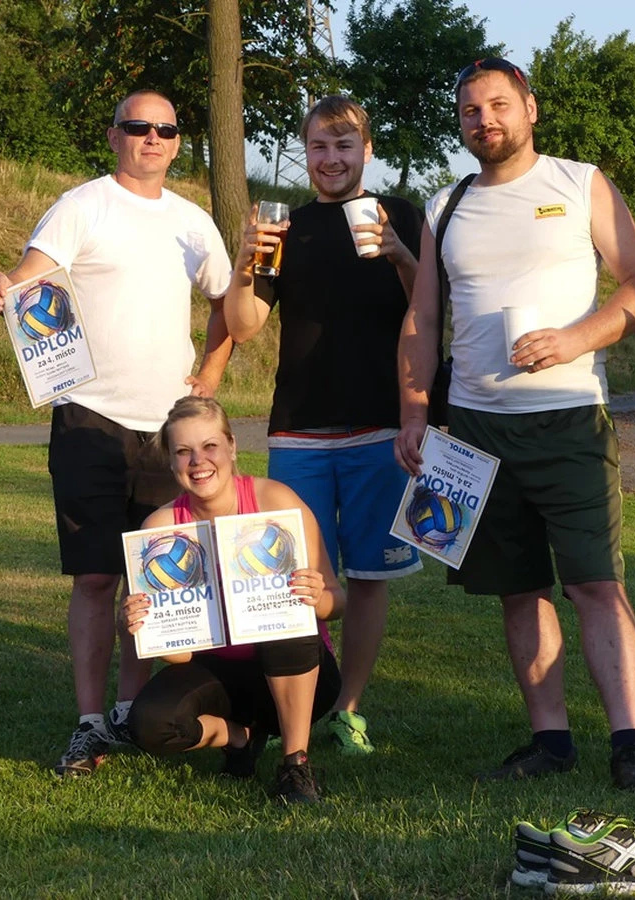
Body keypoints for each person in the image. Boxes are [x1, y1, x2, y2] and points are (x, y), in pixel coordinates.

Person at [394, 58, 635, 789]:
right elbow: (423, 317)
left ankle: (631, 745)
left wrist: (577, 338)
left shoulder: (578, 183)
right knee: (518, 589)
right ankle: (551, 741)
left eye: (498, 105)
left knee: (595, 584)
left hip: (569, 419)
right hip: (475, 430)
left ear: (530, 108)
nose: (484, 120)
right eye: (470, 111)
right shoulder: (446, 203)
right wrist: (415, 412)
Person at [0, 89, 234, 777]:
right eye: (138, 126)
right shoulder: (82, 205)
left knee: (152, 579)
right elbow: (27, 278)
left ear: (178, 143)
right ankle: (90, 723)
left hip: (169, 429)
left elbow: (227, 305)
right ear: (115, 136)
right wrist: (1, 286)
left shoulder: (194, 223)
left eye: (166, 130)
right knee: (95, 578)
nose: (152, 138)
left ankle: (128, 711)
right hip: (89, 417)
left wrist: (209, 376)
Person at [222, 95, 422, 756]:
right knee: (293, 578)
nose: (331, 158)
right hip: (298, 431)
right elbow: (245, 326)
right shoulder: (286, 227)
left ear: (367, 150)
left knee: (366, 577)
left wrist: (400, 254)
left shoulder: (402, 216)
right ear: (305, 153)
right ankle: (293, 710)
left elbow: (431, 311)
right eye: (318, 147)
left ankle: (347, 709)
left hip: (380, 429)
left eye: (343, 145)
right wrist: (247, 261)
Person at [120, 397, 345, 803]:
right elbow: (178, 656)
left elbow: (337, 602)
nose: (198, 462)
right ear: (170, 462)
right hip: (219, 675)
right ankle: (240, 738)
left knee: (281, 624)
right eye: (183, 451)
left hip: (300, 671)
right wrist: (145, 625)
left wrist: (316, 597)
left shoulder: (277, 501)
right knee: (150, 723)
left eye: (210, 446)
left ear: (232, 447)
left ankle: (295, 764)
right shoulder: (161, 530)